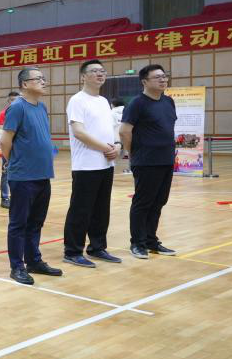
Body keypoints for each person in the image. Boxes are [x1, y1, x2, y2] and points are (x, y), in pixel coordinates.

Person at [0, 68, 63, 285]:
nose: (44, 82)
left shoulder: (42, 107)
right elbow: (4, 141)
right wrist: (14, 163)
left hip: (43, 174)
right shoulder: (17, 107)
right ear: (25, 84)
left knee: (36, 222)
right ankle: (17, 266)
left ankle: (34, 261)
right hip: (23, 176)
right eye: (39, 79)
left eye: (44, 78)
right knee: (19, 223)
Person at [62, 60, 122, 268]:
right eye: (94, 71)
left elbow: (112, 128)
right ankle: (72, 251)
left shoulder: (104, 101)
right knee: (81, 210)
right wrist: (106, 148)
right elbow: (79, 132)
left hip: (106, 164)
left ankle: (97, 247)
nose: (100, 74)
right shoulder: (77, 100)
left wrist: (117, 145)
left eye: (102, 71)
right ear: (83, 76)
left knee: (101, 209)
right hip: (86, 166)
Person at [119, 64, 178, 260]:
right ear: (144, 81)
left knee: (159, 202)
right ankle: (137, 243)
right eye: (157, 77)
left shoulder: (168, 101)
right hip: (146, 161)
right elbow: (124, 131)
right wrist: (133, 153)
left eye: (164, 76)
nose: (163, 80)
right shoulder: (137, 103)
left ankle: (151, 241)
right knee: (143, 203)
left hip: (166, 159)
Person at [0, 91, 19, 208]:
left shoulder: (21, 111)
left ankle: (15, 197)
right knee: (6, 173)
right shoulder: (3, 113)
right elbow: (3, 132)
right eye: (12, 100)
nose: (14, 102)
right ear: (8, 101)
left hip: (20, 149)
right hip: (8, 147)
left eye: (17, 100)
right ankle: (5, 198)